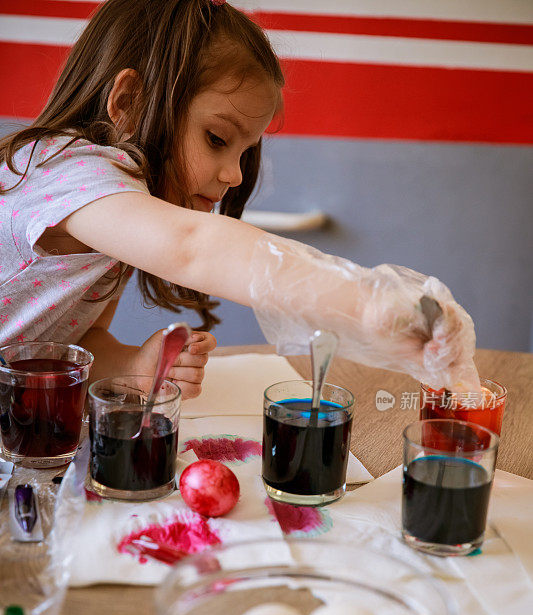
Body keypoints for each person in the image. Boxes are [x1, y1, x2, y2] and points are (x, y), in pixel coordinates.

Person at [0, 0, 479, 397]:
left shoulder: (118, 207)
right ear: (128, 104)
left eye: (244, 152)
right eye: (216, 138)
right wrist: (370, 306)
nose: (233, 174)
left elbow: (75, 344)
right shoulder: (63, 171)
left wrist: (133, 364)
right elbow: (192, 245)